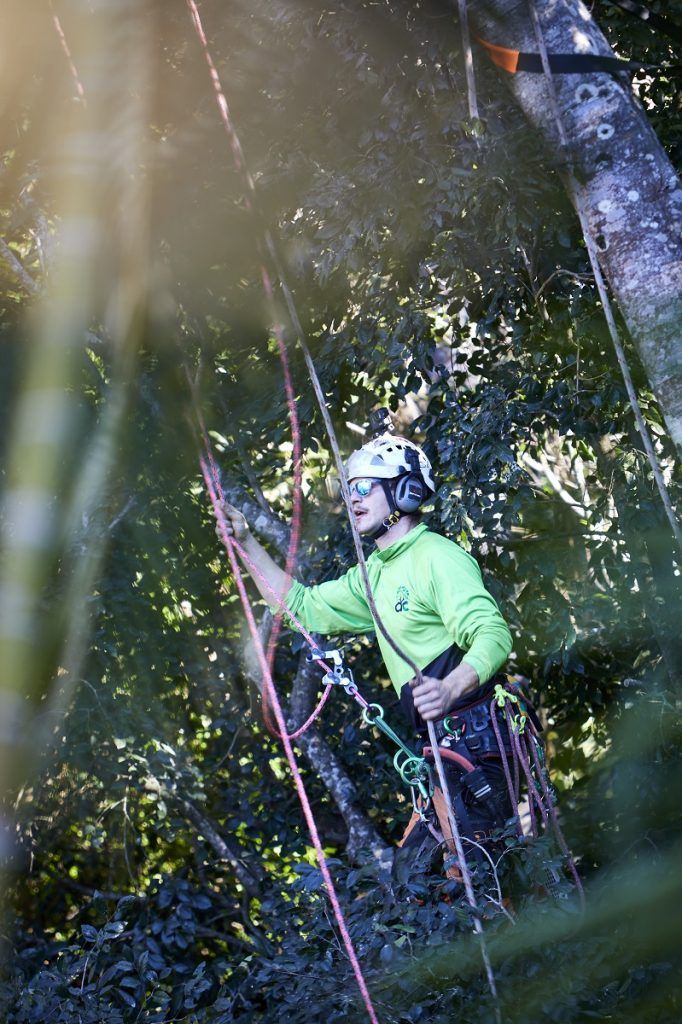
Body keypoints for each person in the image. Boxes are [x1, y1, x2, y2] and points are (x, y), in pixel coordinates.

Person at [219, 434, 518, 880]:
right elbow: (300, 605)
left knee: (476, 882)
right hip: (444, 750)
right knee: (415, 882)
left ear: (405, 491)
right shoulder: (374, 574)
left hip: (478, 742)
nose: (351, 499)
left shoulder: (435, 557)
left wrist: (450, 685)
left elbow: (493, 634)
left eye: (363, 488)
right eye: (347, 490)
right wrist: (245, 542)